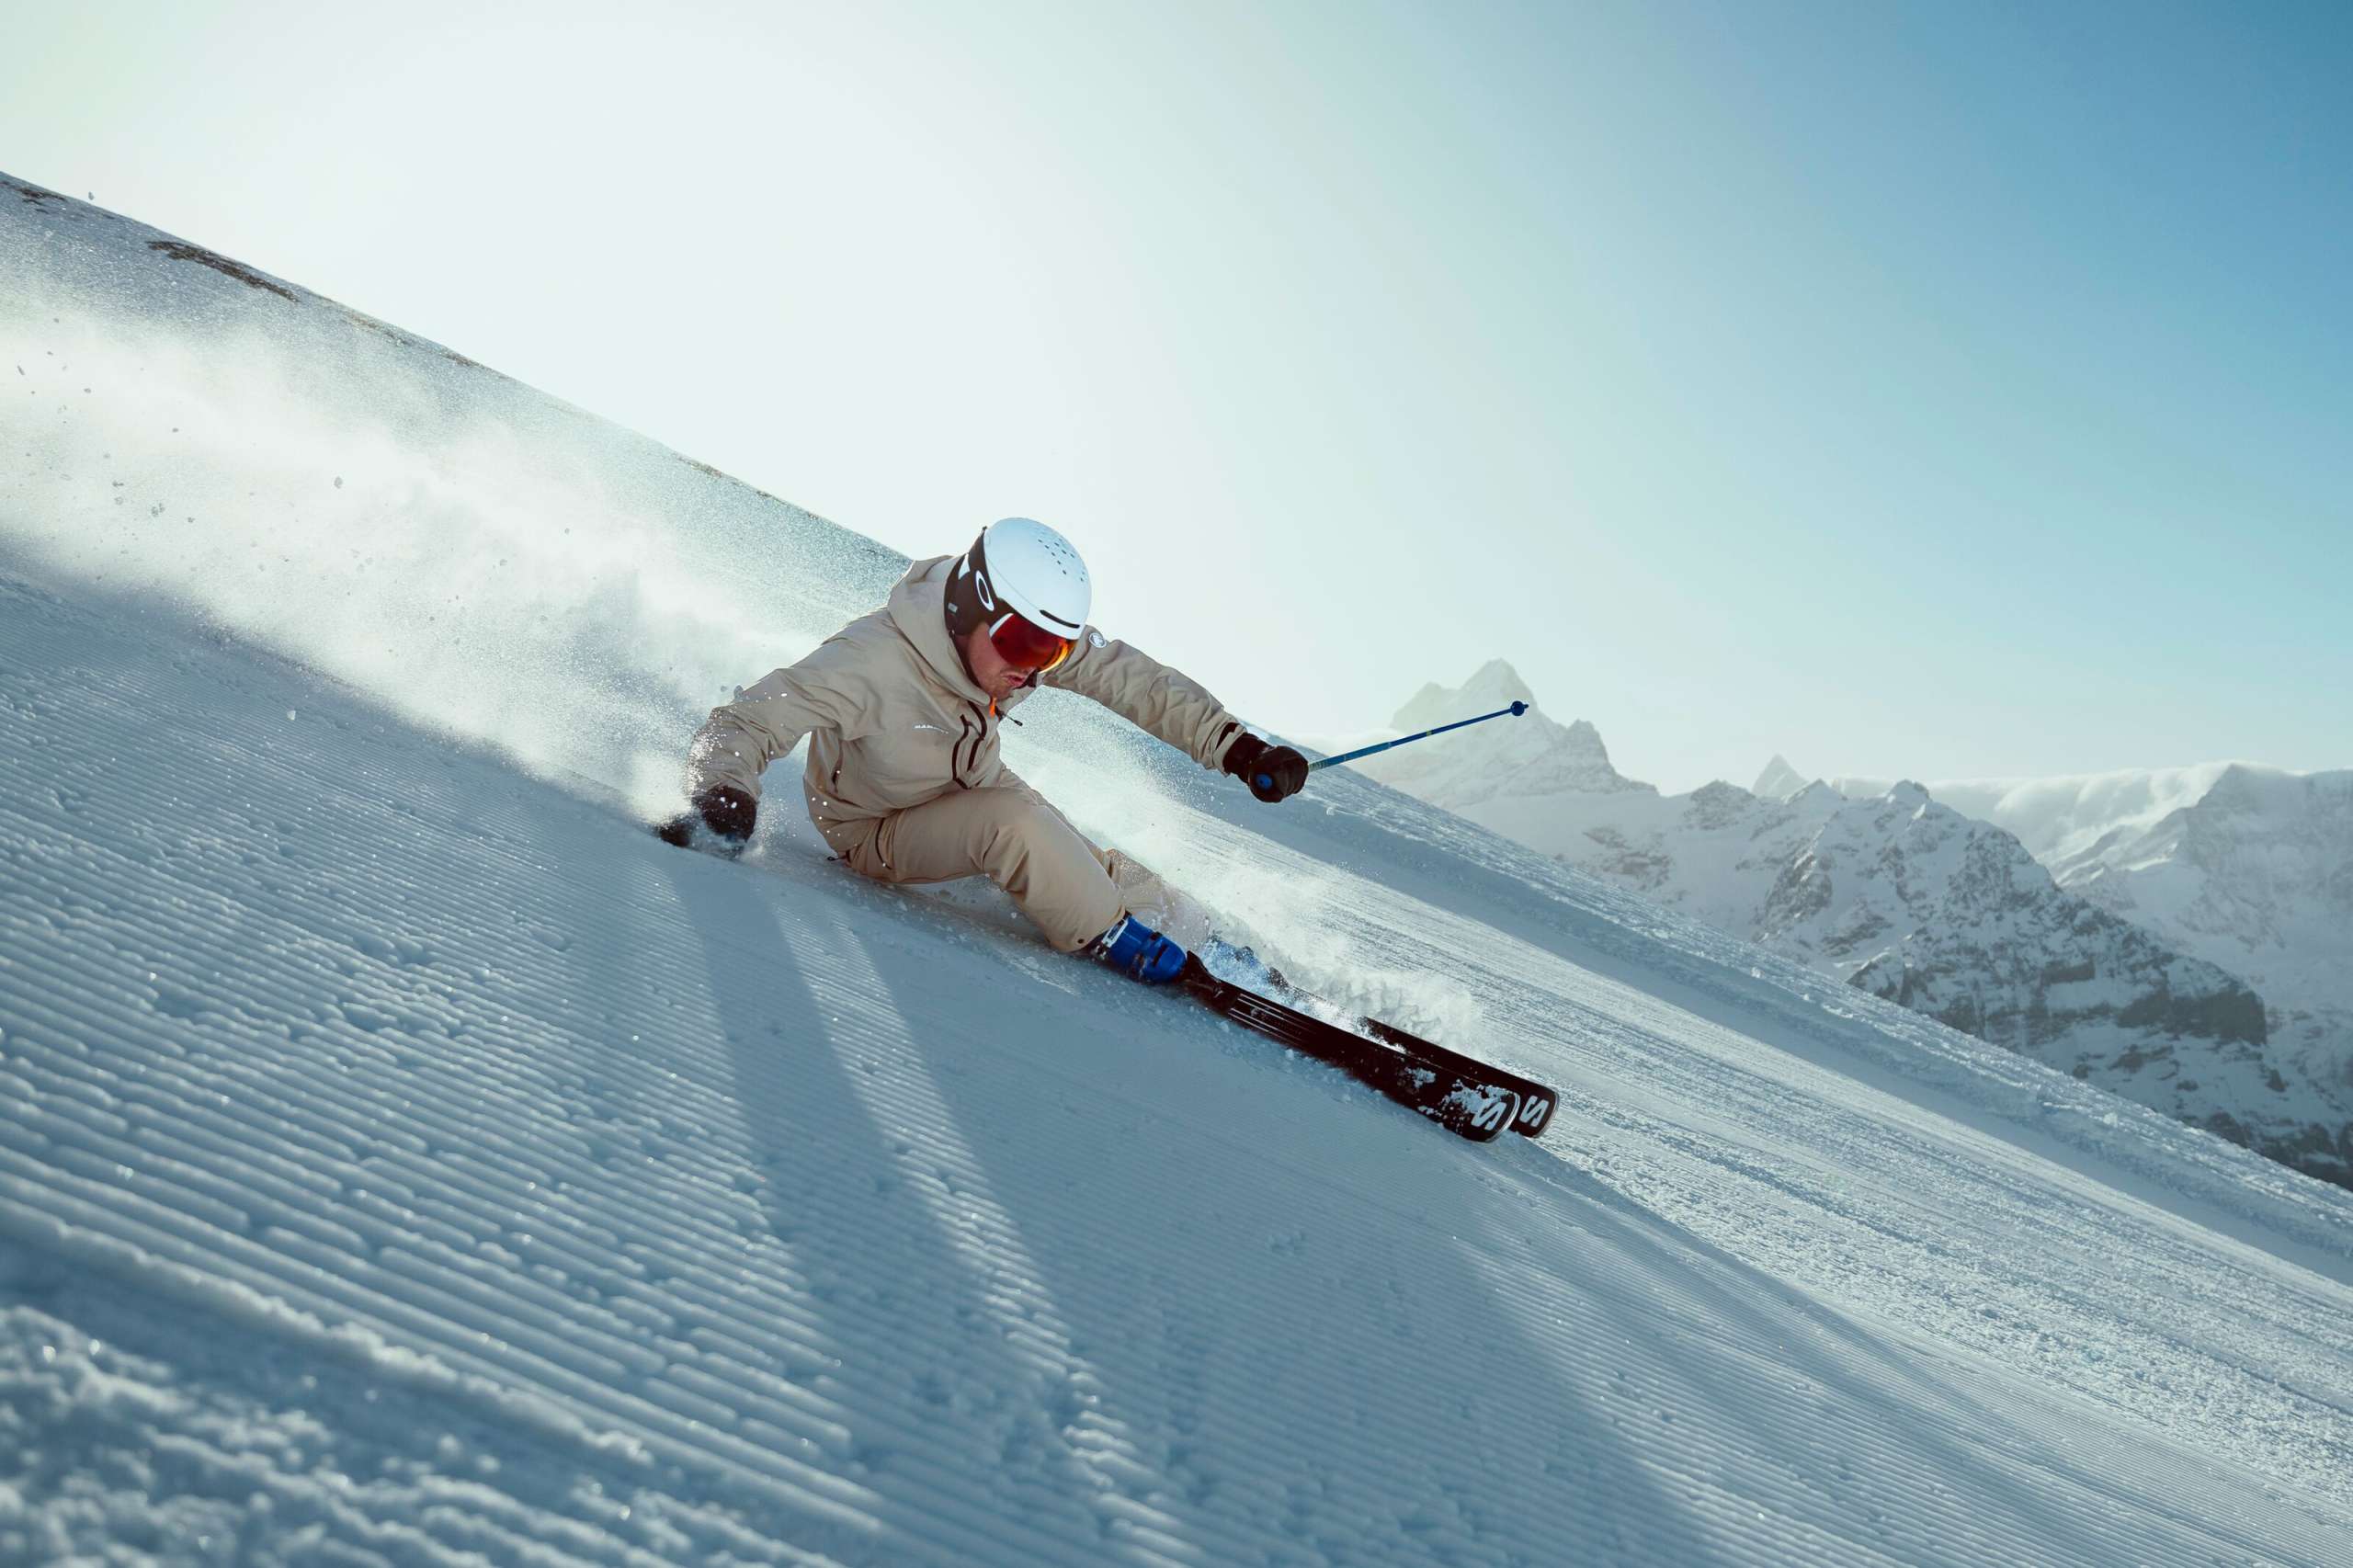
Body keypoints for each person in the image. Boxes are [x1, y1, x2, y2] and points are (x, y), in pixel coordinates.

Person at [656, 517, 1310, 983]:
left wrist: (1237, 746)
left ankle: (1220, 954)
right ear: (973, 607)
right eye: (1027, 648)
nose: (1033, 673)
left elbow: (1126, 678)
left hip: (967, 789)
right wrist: (723, 793)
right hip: (875, 830)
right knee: (1019, 829)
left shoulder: (1007, 643)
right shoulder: (872, 661)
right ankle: (1116, 939)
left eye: (1050, 653)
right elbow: (746, 721)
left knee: (1088, 861)